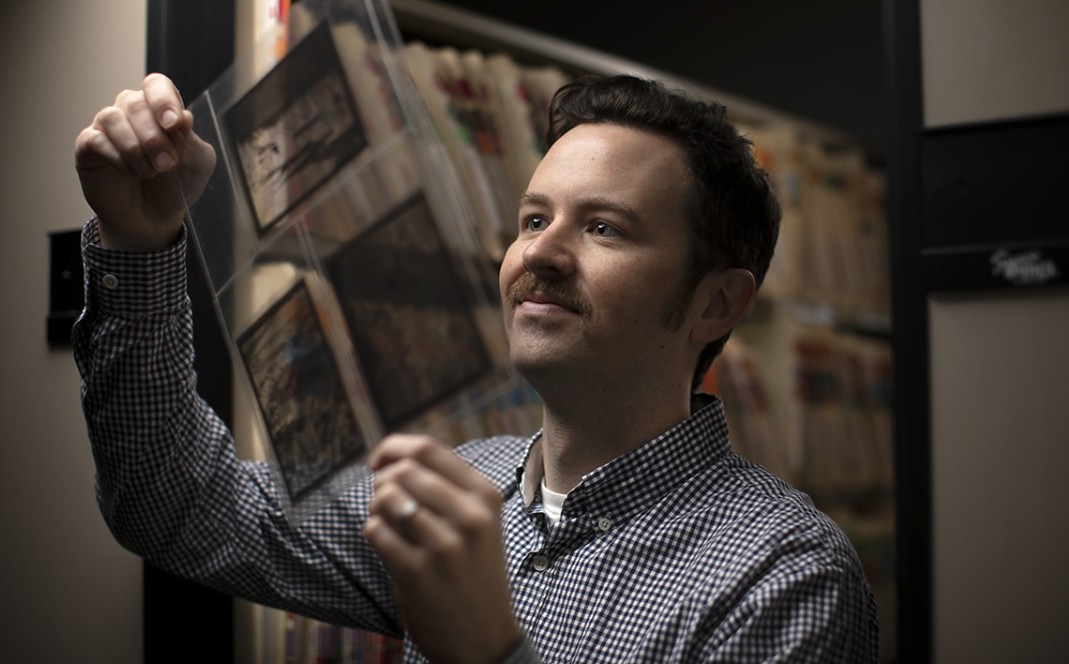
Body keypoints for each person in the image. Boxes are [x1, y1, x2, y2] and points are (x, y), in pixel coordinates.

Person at [74, 71, 878, 663]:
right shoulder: (463, 492)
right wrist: (138, 244)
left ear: (716, 304)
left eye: (602, 228)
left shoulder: (783, 577)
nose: (541, 253)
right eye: (533, 218)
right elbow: (174, 503)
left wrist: (489, 654)